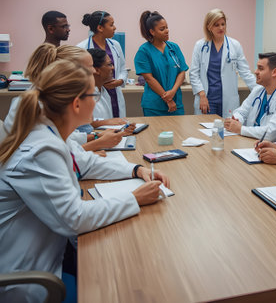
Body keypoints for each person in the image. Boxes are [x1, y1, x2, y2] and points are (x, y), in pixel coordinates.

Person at [0, 60, 169, 303]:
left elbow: (85, 164)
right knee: (123, 282)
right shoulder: (41, 149)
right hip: (30, 281)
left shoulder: (48, 131)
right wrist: (134, 198)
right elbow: (74, 219)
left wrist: (135, 169)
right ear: (76, 103)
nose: (97, 100)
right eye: (94, 94)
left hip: (49, 255)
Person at [3, 44, 128, 152]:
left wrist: (96, 137)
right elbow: (61, 153)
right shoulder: (43, 106)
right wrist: (97, 142)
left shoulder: (51, 97)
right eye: (89, 67)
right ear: (68, 71)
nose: (94, 71)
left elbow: (69, 140)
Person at [190, 9, 256, 117]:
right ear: (209, 26)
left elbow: (246, 73)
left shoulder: (235, 45)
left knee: (227, 131)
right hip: (207, 99)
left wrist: (261, 90)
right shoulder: (200, 46)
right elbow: (193, 73)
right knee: (205, 131)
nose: (221, 28)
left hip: (228, 99)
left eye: (223, 24)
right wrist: (202, 95)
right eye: (216, 25)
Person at [224, 53, 276, 141]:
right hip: (253, 143)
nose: (255, 72)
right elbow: (241, 112)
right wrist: (236, 120)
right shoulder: (258, 90)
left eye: (260, 68)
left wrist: (240, 129)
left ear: (274, 72)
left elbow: (270, 133)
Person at [134, 11, 188, 116]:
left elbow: (182, 72)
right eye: (162, 29)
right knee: (156, 132)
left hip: (176, 103)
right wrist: (168, 99)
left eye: (167, 27)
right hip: (154, 105)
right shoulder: (144, 51)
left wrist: (172, 92)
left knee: (178, 132)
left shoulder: (174, 48)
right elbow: (149, 79)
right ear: (152, 32)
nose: (167, 31)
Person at [78, 11, 128, 118]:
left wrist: (120, 81)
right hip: (94, 92)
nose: (114, 28)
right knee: (100, 123)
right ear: (100, 28)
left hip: (115, 93)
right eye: (111, 25)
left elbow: (123, 68)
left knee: (117, 124)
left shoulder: (115, 45)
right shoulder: (81, 48)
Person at [87, 48, 135, 131]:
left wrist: (122, 126)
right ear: (97, 70)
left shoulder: (102, 90)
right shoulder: (84, 94)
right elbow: (83, 125)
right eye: (109, 64)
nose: (113, 68)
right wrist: (106, 122)